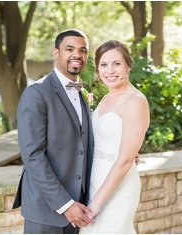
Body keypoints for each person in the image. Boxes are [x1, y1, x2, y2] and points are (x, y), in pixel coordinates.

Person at [12, 29, 95, 234]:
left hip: (80, 207)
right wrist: (66, 204)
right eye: (70, 49)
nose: (77, 54)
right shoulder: (37, 93)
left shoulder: (82, 93)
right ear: (56, 53)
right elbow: (33, 155)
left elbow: (83, 142)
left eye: (82, 50)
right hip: (46, 209)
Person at [79, 40, 150, 233]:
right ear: (97, 69)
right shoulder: (105, 99)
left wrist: (96, 205)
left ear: (128, 66)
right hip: (95, 180)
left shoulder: (136, 101)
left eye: (117, 63)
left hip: (118, 187)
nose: (110, 70)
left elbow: (126, 160)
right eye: (104, 64)